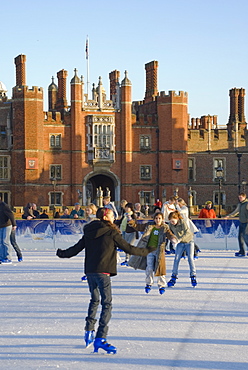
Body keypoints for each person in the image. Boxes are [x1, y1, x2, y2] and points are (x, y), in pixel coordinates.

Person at [56, 207, 156, 354]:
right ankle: (100, 338)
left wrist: (61, 253)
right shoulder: (111, 232)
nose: (113, 217)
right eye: (111, 215)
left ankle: (89, 331)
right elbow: (129, 248)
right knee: (107, 304)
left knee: (94, 300)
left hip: (90, 272)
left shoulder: (89, 231)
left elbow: (75, 249)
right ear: (106, 217)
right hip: (103, 272)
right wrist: (148, 250)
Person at [128, 212, 177, 294]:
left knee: (160, 268)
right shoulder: (149, 226)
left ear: (162, 219)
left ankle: (161, 285)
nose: (158, 220)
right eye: (156, 218)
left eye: (159, 218)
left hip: (159, 251)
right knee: (149, 268)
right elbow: (138, 227)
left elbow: (169, 234)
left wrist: (173, 239)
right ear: (154, 219)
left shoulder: (165, 228)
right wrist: (131, 222)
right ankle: (148, 283)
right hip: (149, 250)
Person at [167, 211, 197, 288]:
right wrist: (172, 239)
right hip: (180, 243)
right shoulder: (171, 225)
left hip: (189, 241)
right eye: (170, 221)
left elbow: (187, 232)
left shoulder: (182, 222)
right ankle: (173, 276)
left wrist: (179, 239)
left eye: (173, 221)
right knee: (176, 258)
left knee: (190, 258)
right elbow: (169, 233)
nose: (172, 223)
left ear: (177, 219)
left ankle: (193, 276)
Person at [226, 193, 248, 257]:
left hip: (247, 222)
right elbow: (236, 212)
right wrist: (228, 216)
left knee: (245, 236)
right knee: (240, 237)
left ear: (244, 197)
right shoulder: (240, 204)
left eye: (241, 197)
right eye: (239, 197)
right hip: (241, 222)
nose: (240, 199)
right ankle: (242, 251)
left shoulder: (247, 204)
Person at [0, 196, 17, 264]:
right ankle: (1, 257)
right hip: (0, 225)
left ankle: (8, 257)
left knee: (5, 241)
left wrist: (14, 224)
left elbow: (11, 215)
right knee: (1, 242)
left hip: (7, 225)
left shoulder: (3, 205)